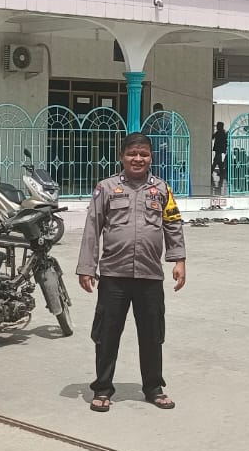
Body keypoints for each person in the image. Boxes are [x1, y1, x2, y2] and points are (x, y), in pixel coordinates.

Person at [77, 132, 188, 412]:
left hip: (150, 275)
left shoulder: (161, 189)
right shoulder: (106, 188)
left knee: (152, 334)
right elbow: (93, 228)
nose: (138, 159)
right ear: (122, 156)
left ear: (151, 157)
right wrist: (86, 267)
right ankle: (102, 389)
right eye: (132, 154)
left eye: (144, 154)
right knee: (107, 334)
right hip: (114, 274)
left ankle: (153, 388)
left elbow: (173, 224)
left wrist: (178, 260)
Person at [211, 121, 228, 191]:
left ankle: (215, 171)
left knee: (216, 161)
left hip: (219, 149)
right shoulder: (223, 133)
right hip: (220, 149)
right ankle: (221, 172)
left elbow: (212, 137)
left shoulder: (219, 133)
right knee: (218, 161)